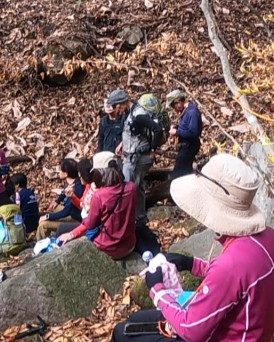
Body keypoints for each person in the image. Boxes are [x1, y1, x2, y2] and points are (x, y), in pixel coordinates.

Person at [90, 154, 274, 342]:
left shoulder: (232, 264)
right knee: (140, 321)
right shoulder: (269, 239)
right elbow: (236, 284)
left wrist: (157, 289)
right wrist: (189, 263)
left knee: (122, 334)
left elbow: (190, 328)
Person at [56, 154, 136, 260]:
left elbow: (90, 224)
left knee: (61, 236)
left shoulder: (99, 196)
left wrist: (72, 234)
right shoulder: (131, 187)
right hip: (129, 246)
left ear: (100, 173)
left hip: (106, 248)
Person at [117, 94, 165, 254]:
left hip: (137, 158)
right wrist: (122, 144)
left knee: (128, 188)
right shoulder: (132, 112)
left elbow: (157, 129)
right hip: (133, 156)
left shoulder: (138, 114)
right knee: (137, 188)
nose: (116, 110)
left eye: (117, 106)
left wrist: (152, 150)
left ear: (123, 102)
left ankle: (128, 223)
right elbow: (135, 133)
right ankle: (140, 218)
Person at [37, 158, 85, 238]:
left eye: (60, 170)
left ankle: (40, 244)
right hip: (71, 212)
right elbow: (64, 192)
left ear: (66, 174)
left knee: (43, 224)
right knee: (54, 208)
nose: (58, 172)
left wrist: (47, 216)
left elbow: (65, 212)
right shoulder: (75, 182)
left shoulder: (76, 189)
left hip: (75, 218)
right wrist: (57, 201)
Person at [165, 90, 203, 179]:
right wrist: (176, 127)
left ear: (178, 102)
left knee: (178, 175)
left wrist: (177, 132)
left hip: (189, 147)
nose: (174, 108)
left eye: (173, 106)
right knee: (186, 173)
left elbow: (193, 133)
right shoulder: (186, 111)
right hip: (185, 146)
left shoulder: (192, 112)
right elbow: (186, 126)